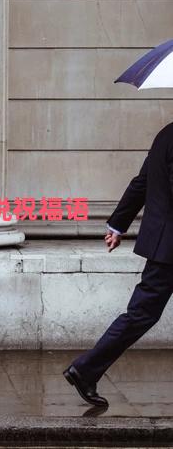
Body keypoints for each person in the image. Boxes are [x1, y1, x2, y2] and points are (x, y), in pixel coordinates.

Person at [64, 121, 173, 407]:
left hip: (164, 245)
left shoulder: (166, 133)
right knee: (141, 314)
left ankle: (86, 369)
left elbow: (141, 183)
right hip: (170, 247)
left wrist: (117, 224)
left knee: (140, 314)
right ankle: (86, 369)